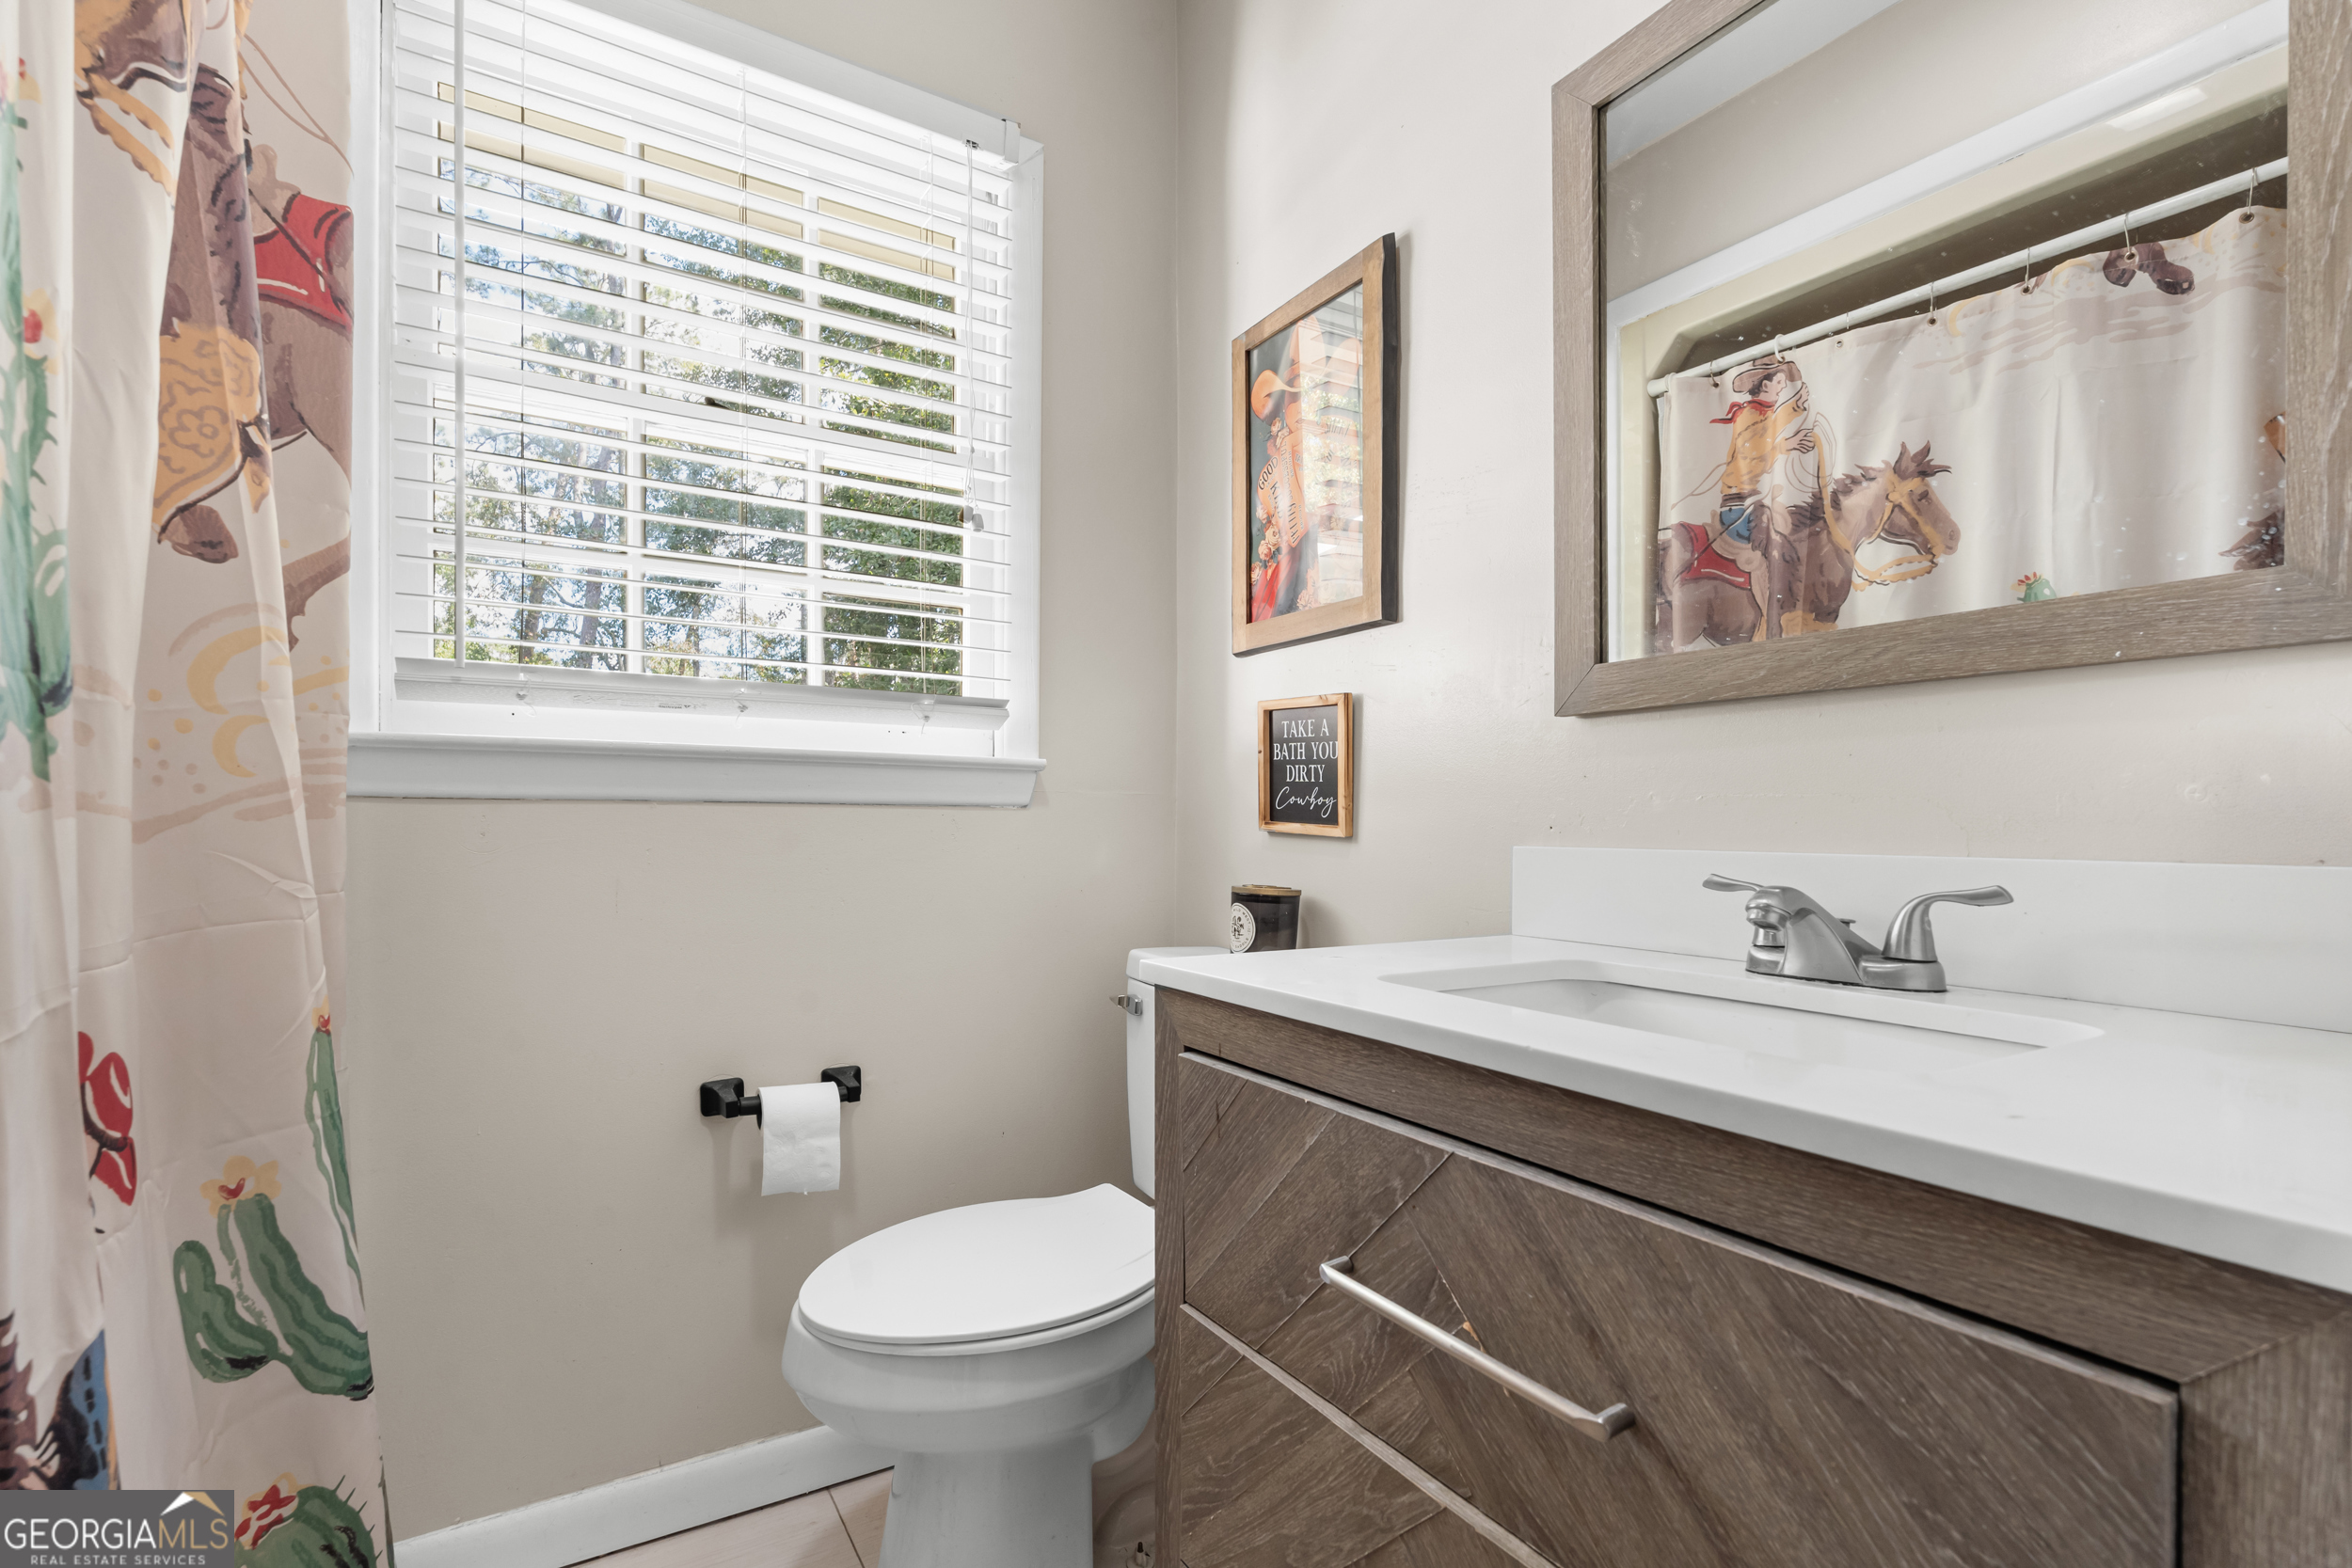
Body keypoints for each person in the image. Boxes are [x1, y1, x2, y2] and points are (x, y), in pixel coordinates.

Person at [1708, 356, 1818, 637]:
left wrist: (1797, 406)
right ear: (1765, 384)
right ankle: (1772, 616)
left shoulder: (1759, 412)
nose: (1782, 387)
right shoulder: (1748, 415)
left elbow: (1773, 420)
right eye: (1780, 382)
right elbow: (1752, 455)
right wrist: (1786, 444)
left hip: (1748, 500)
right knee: (1778, 538)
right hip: (1737, 507)